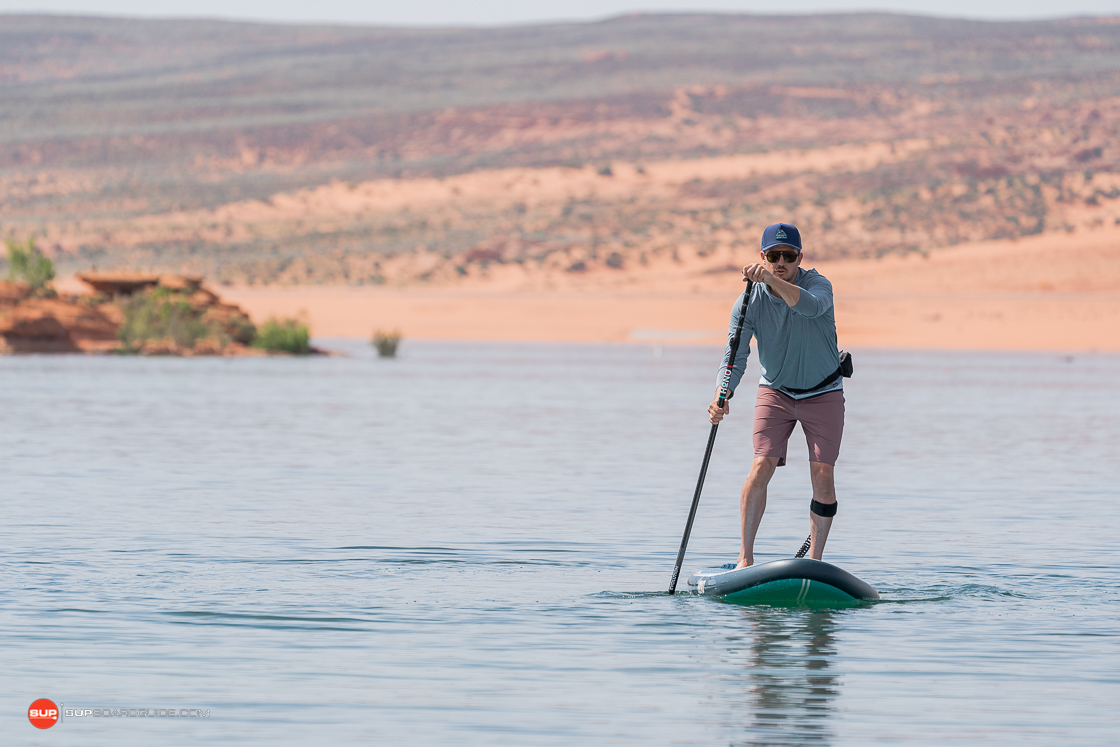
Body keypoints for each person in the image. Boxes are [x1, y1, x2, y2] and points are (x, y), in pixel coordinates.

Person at [707, 222, 845, 569]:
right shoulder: (749, 300)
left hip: (824, 391)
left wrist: (769, 280)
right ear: (763, 256)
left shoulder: (818, 285)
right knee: (760, 465)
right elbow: (735, 354)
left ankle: (815, 563)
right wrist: (723, 394)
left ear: (800, 257)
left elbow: (810, 308)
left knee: (822, 474)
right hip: (776, 392)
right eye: (773, 256)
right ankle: (745, 558)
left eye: (788, 256)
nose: (781, 261)